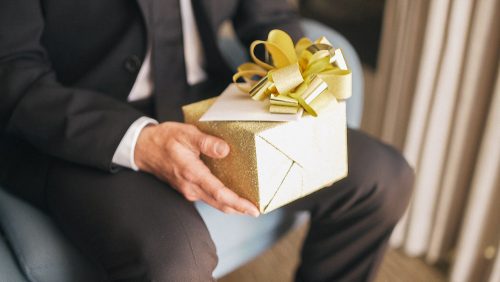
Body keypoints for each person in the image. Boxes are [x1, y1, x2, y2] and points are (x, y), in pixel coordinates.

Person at [0, 0, 414, 281]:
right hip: (80, 122)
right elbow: (12, 72)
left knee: (382, 175)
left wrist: (300, 69)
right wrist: (141, 141)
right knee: (179, 257)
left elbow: (268, 13)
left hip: (210, 98)